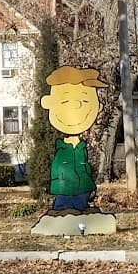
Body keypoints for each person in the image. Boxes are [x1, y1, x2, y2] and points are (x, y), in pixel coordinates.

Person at [39, 66, 108, 214]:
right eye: (64, 101)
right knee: (63, 205)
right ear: (48, 103)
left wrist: (86, 176)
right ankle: (62, 212)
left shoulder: (83, 147)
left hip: (82, 187)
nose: (76, 105)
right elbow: (58, 169)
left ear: (98, 107)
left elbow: (86, 166)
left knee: (80, 204)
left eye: (85, 100)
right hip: (64, 188)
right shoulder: (62, 149)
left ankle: (78, 211)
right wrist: (60, 182)